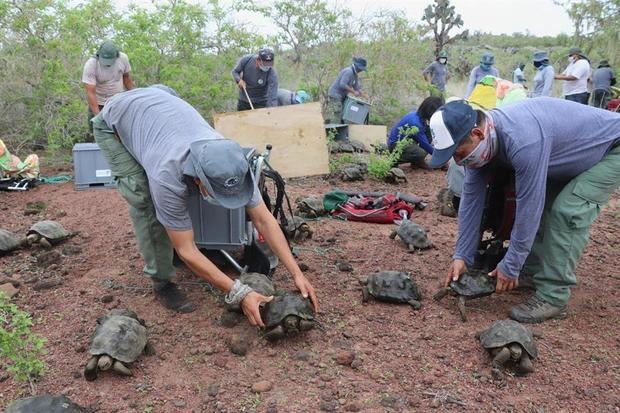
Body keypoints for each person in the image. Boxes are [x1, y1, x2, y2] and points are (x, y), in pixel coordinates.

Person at [92, 86, 318, 325]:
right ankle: (161, 280)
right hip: (114, 119)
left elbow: (264, 220)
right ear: (198, 179)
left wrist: (296, 272)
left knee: (183, 207)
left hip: (161, 98)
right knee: (145, 200)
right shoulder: (166, 174)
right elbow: (186, 250)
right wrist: (240, 292)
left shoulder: (233, 161)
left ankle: (194, 241)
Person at [428, 98, 620, 323]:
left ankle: (554, 295)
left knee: (567, 211)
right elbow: (471, 203)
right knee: (547, 205)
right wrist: (462, 256)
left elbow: (528, 208)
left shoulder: (522, 140)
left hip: (611, 147)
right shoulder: (482, 146)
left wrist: (511, 264)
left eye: (459, 154)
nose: (458, 161)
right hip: (569, 153)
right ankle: (532, 271)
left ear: (477, 134)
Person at [82, 40, 134, 138]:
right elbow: (90, 93)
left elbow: (126, 78)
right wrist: (98, 116)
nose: (108, 64)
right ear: (99, 55)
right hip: (99, 103)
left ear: (116, 56)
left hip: (118, 102)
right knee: (99, 134)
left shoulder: (123, 58)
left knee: (121, 134)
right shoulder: (91, 65)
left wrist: (135, 95)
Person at [386, 96, 444, 168]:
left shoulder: (417, 116)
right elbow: (425, 145)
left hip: (405, 142)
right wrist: (441, 158)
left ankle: (417, 162)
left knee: (428, 131)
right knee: (421, 153)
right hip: (396, 146)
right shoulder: (416, 123)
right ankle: (393, 160)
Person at [324, 57, 367, 124]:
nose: (361, 70)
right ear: (356, 66)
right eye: (360, 68)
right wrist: (353, 92)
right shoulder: (349, 71)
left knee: (342, 114)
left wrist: (360, 92)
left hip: (341, 96)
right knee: (337, 113)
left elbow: (356, 86)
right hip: (335, 95)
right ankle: (333, 132)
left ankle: (333, 129)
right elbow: (342, 84)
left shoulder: (355, 75)